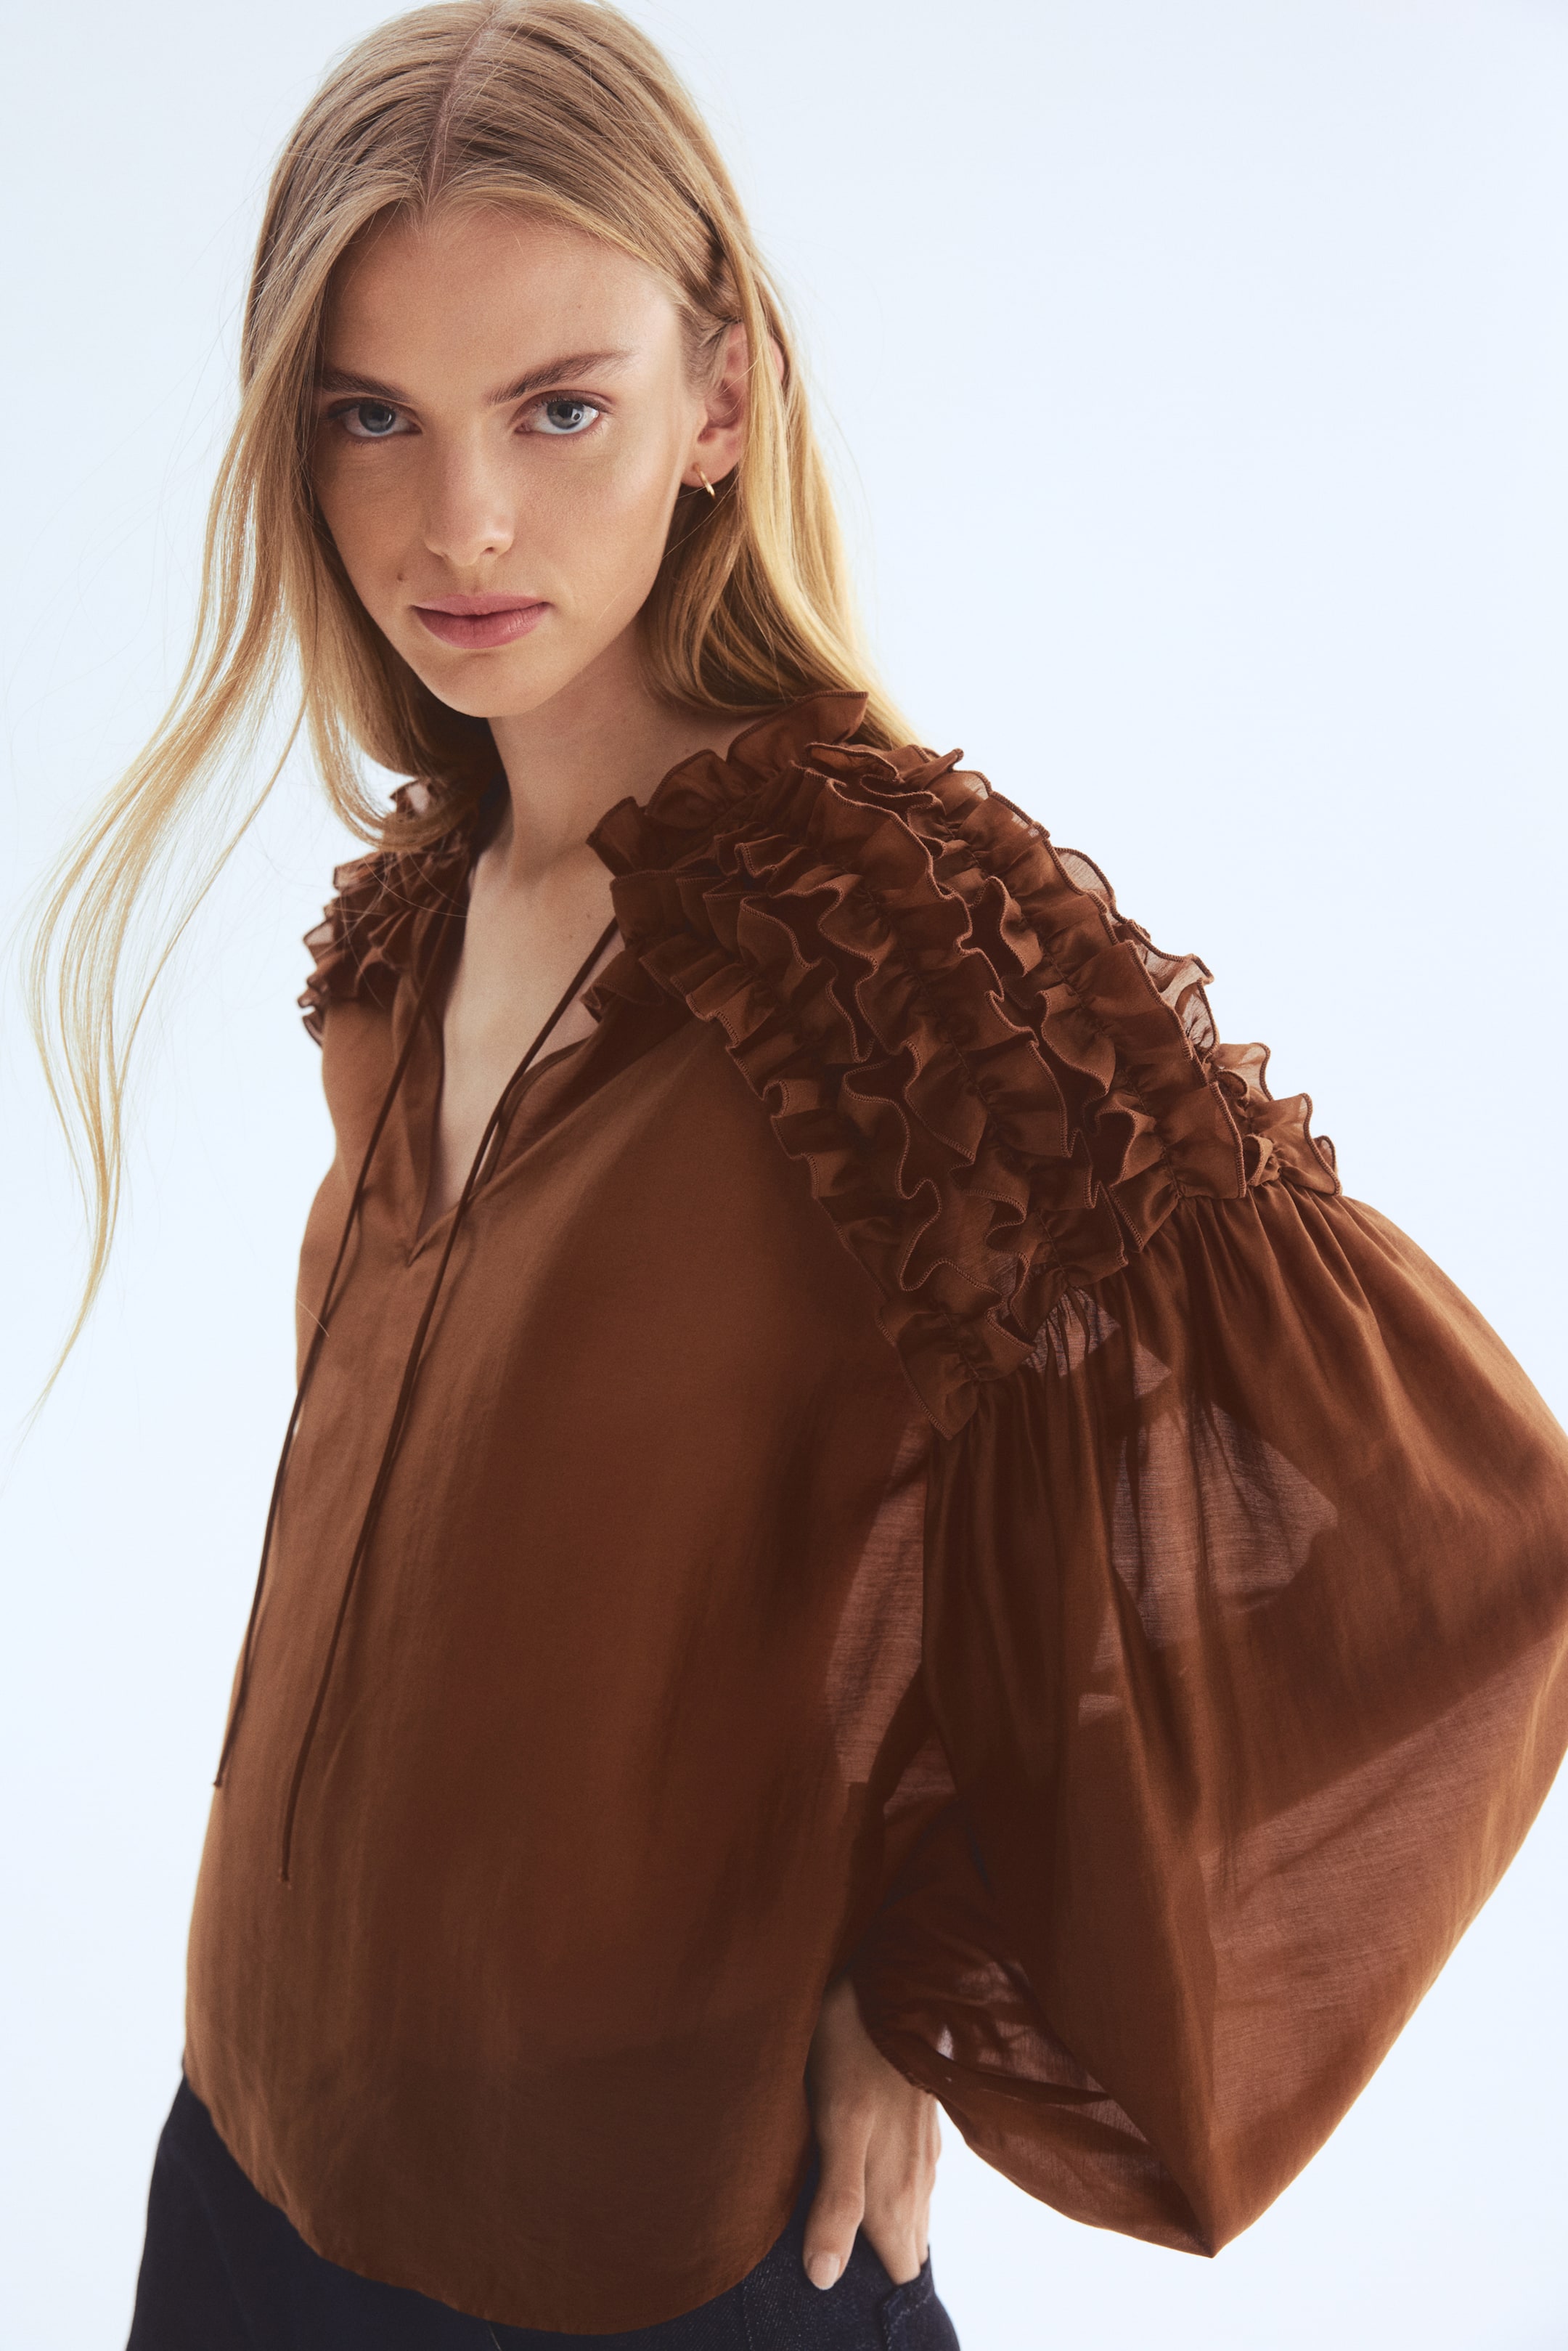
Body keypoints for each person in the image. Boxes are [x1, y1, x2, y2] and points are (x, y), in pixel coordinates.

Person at [25, 4, 1568, 2345]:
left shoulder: (890, 939)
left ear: (720, 399)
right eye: (374, 415)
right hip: (245, 2169)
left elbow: (1447, 1537)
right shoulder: (412, 933)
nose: (462, 521)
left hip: (655, 2262)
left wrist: (935, 1978)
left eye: (560, 408)